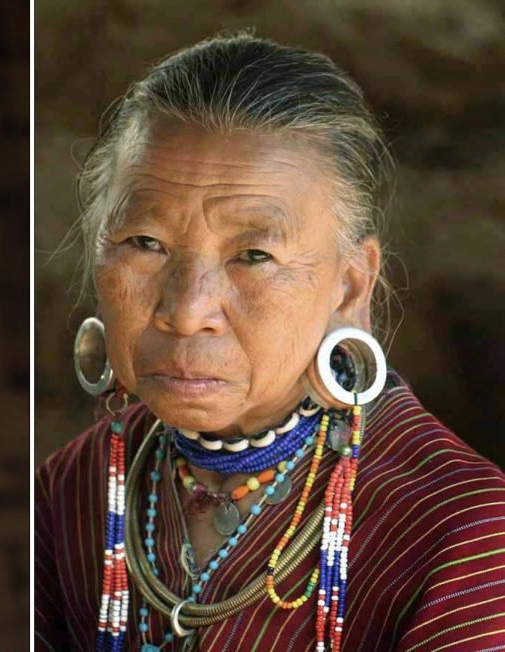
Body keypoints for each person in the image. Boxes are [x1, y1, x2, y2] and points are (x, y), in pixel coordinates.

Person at [35, 33, 505, 651]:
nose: (186, 310)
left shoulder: (464, 535)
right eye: (144, 243)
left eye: (254, 255)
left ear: (348, 287)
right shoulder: (73, 491)